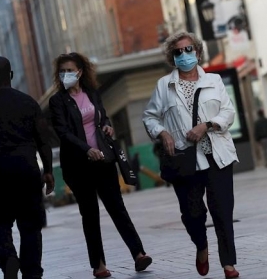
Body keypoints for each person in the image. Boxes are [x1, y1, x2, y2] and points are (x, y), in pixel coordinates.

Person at [143, 32, 240, 278]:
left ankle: (228, 264)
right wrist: (163, 133)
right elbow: (150, 117)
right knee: (192, 214)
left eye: (189, 50)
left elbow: (228, 112)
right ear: (171, 57)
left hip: (217, 154)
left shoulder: (214, 80)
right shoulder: (164, 85)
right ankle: (201, 245)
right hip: (185, 159)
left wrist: (206, 125)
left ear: (197, 51)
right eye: (178, 51)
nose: (184, 55)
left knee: (222, 210)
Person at [49, 52, 152, 278]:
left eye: (70, 70)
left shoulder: (92, 94)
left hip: (103, 160)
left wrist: (107, 126)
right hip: (78, 166)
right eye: (62, 71)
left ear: (80, 72)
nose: (66, 74)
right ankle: (99, 265)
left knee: (117, 208)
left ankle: (139, 254)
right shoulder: (57, 101)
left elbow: (102, 117)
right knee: (90, 214)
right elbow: (63, 133)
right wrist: (87, 149)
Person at [0, 57, 55, 279]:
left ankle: (8, 258)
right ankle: (32, 273)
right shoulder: (29, 103)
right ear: (11, 75)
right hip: (27, 170)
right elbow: (43, 139)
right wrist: (48, 171)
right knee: (31, 228)